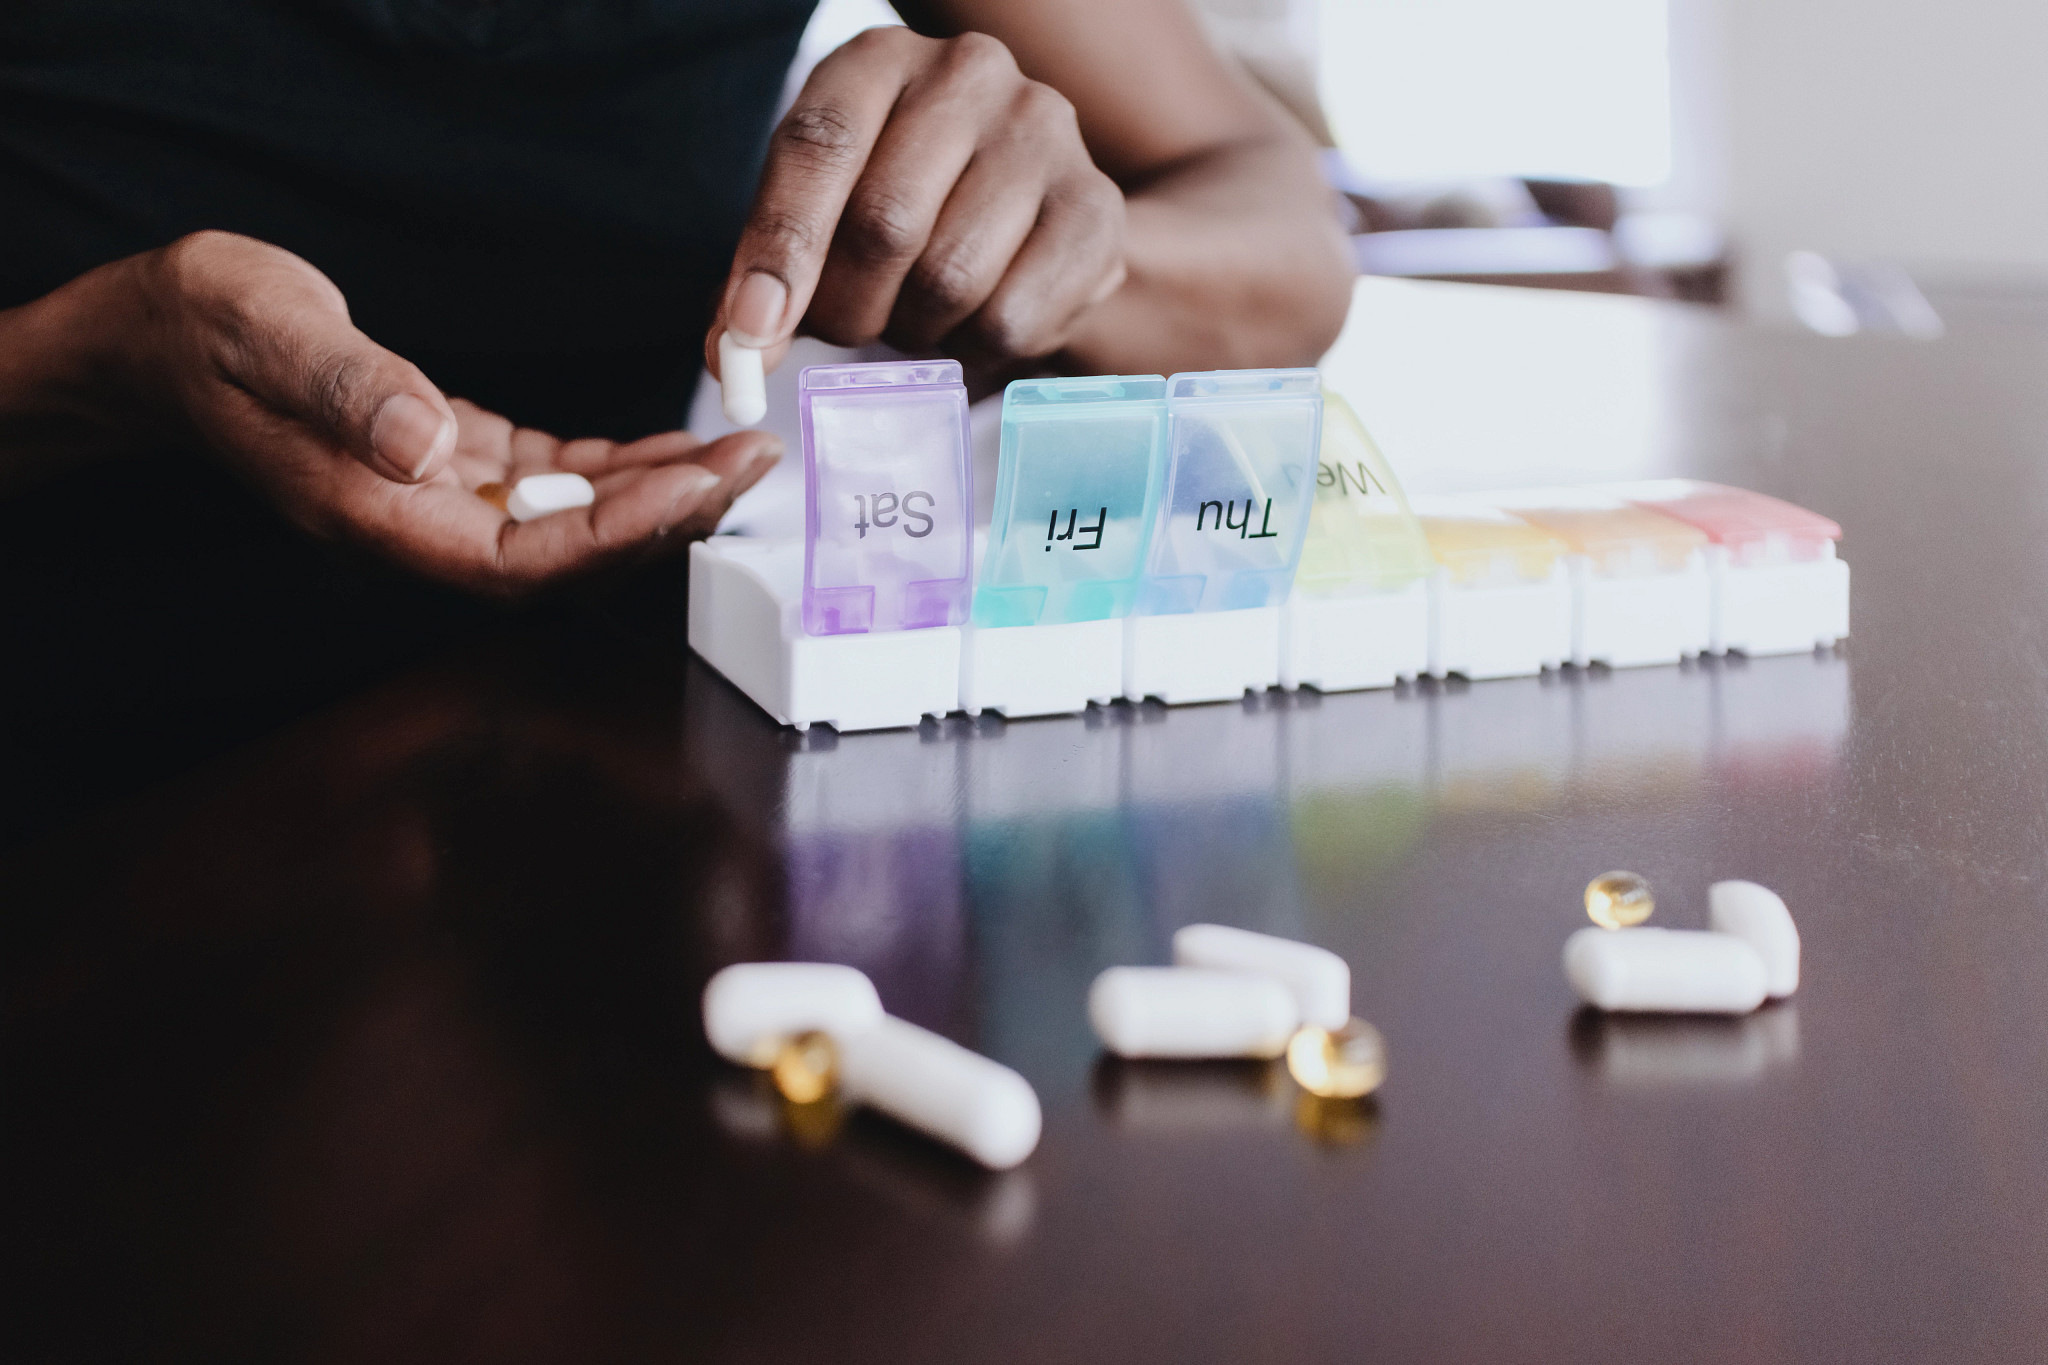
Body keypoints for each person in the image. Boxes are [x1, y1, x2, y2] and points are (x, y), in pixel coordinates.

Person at [0, 1, 1350, 843]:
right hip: (76, 802)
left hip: (595, 792)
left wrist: (1071, 252)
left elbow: (1287, 241)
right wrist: (93, 360)